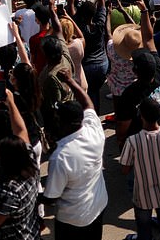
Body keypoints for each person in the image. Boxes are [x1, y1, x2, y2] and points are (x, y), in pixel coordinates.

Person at [43, 67, 108, 240]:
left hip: (72, 220)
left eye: (59, 118)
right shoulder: (93, 129)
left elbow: (51, 197)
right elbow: (88, 103)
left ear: (67, 123)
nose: (56, 120)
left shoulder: (60, 156)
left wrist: (32, 195)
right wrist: (70, 80)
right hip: (98, 207)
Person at [120, 97, 160, 240]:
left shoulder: (133, 141)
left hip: (142, 196)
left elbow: (125, 170)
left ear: (141, 116)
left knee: (143, 230)